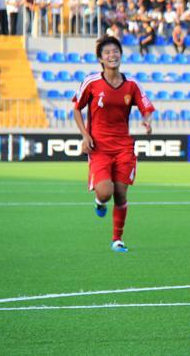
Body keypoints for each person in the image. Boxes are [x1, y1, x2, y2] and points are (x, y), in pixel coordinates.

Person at [72, 35, 155, 253]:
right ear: (100, 59)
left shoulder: (132, 84)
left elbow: (146, 107)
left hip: (124, 147)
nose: (112, 55)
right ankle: (99, 202)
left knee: (120, 194)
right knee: (105, 192)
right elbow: (76, 108)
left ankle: (117, 239)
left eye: (115, 51)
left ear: (121, 55)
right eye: (107, 52)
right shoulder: (92, 82)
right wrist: (85, 136)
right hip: (99, 147)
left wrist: (147, 121)